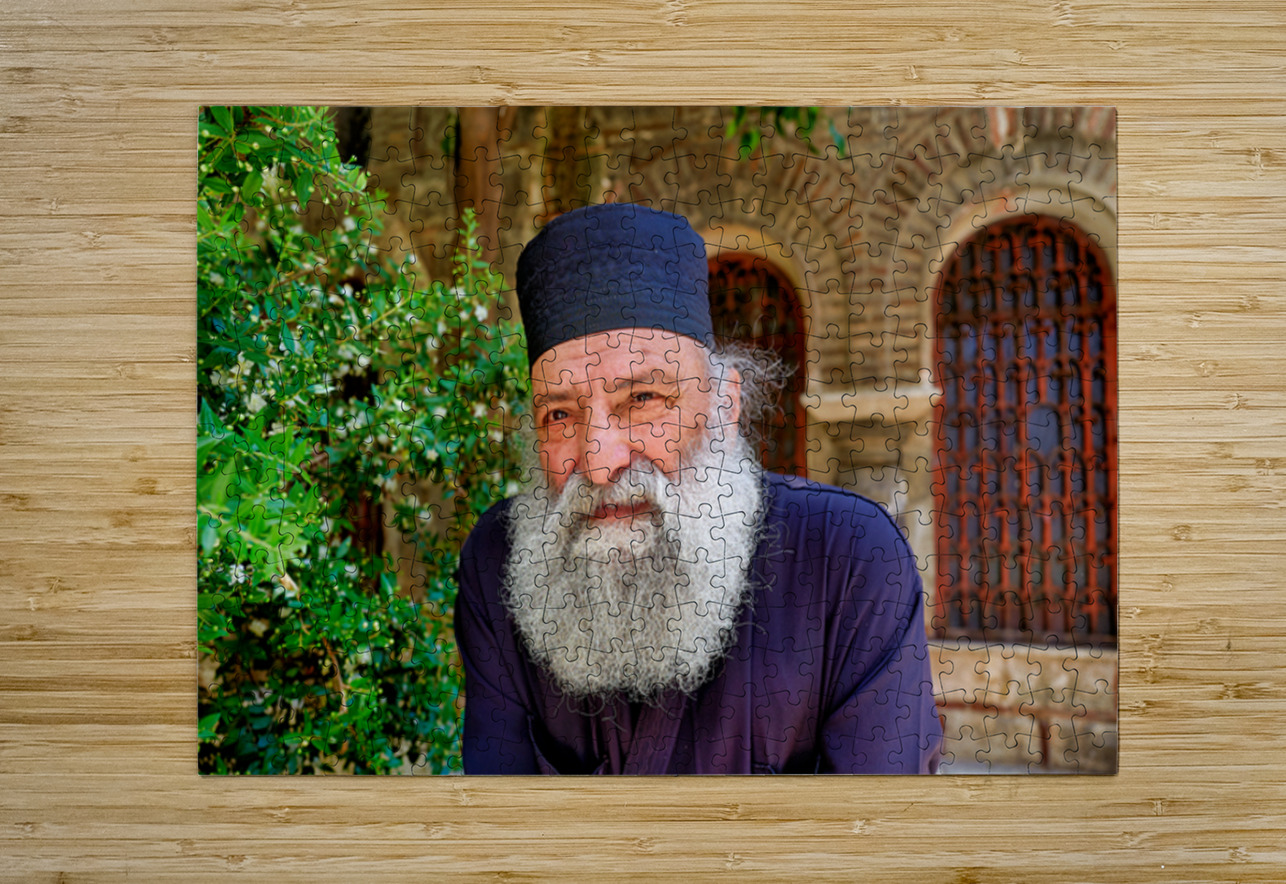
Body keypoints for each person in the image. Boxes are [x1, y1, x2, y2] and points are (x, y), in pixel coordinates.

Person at [453, 202, 942, 774]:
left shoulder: (851, 558)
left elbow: (874, 846)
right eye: (559, 415)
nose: (598, 461)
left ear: (724, 404)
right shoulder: (498, 563)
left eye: (642, 400)